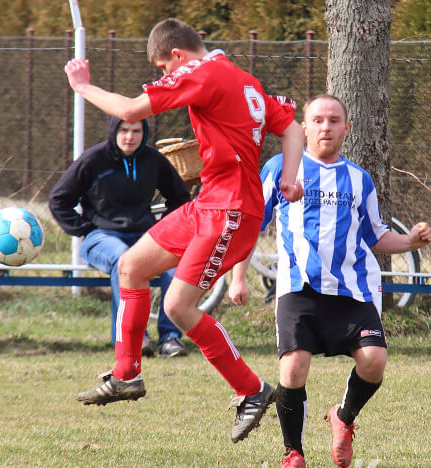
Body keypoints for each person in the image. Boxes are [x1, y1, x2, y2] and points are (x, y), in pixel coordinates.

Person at [65, 18, 305, 443]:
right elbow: (291, 127)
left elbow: (129, 110)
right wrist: (288, 177)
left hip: (231, 210)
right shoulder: (241, 78)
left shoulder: (202, 72)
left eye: (162, 69)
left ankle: (251, 390)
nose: (164, 79)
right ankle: (126, 376)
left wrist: (82, 87)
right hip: (208, 202)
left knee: (178, 306)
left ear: (177, 56)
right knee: (132, 266)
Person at [229, 95, 431, 468]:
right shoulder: (280, 168)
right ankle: (294, 453)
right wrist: (238, 277)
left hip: (351, 289)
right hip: (298, 287)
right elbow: (250, 225)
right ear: (304, 127)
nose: (326, 127)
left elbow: (375, 235)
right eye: (318, 120)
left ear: (346, 128)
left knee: (374, 361)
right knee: (293, 368)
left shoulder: (359, 179)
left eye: (334, 121)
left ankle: (343, 415)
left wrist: (409, 243)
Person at [48, 117, 191, 357]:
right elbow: (58, 200)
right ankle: (132, 338)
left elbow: (180, 199)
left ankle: (170, 339)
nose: (129, 137)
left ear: (144, 133)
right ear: (114, 131)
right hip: (101, 238)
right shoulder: (93, 159)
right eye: (124, 130)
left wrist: (165, 228)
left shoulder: (154, 160)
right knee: (125, 261)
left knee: (175, 267)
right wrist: (85, 229)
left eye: (136, 131)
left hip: (146, 236)